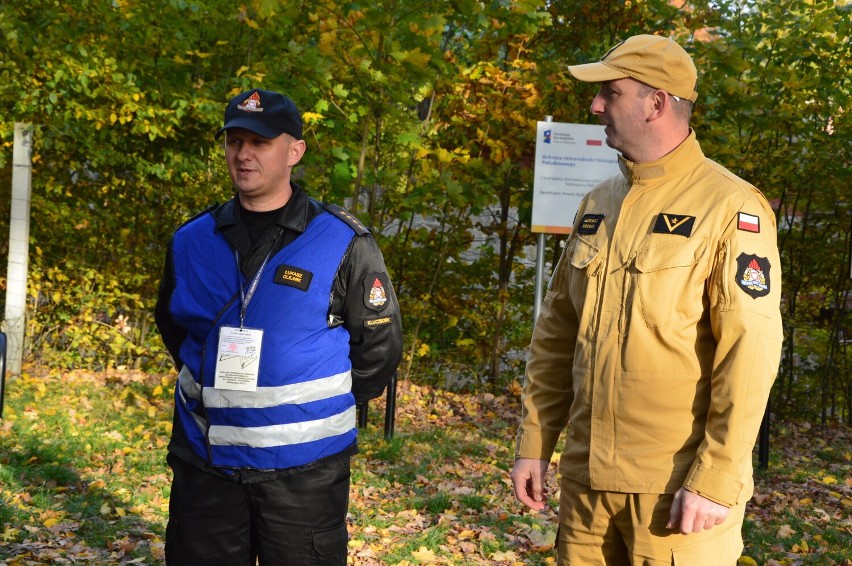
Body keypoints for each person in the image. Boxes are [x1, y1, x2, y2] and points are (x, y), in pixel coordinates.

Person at [511, 34, 783, 564]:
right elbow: (556, 334)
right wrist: (535, 444)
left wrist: (717, 477)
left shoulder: (730, 206)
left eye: (610, 93)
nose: (595, 105)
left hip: (676, 495)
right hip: (586, 488)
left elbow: (750, 352)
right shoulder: (598, 203)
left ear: (656, 103)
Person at [155, 88, 403, 566]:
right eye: (234, 141)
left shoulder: (342, 241)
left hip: (303, 475)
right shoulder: (190, 239)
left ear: (294, 151)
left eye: (260, 142)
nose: (244, 154)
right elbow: (173, 325)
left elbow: (379, 349)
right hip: (205, 466)